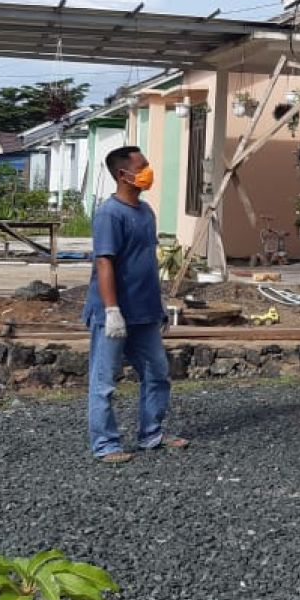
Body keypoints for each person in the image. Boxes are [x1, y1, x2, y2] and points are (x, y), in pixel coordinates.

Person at [82, 145, 188, 463]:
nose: (148, 171)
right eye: (141, 166)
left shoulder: (146, 213)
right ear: (122, 174)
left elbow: (144, 263)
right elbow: (105, 264)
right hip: (112, 312)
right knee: (104, 381)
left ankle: (151, 433)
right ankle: (105, 444)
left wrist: (158, 306)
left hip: (144, 312)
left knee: (157, 372)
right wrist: (112, 311)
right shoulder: (109, 214)